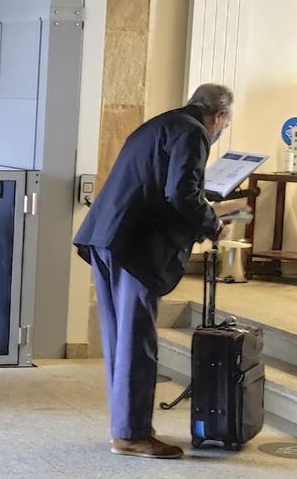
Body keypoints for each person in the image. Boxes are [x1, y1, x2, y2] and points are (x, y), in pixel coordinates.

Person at [73, 83, 239, 459]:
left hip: (108, 237)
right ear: (219, 116)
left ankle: (127, 426)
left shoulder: (164, 123)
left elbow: (164, 184)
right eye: (224, 123)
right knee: (136, 341)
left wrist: (202, 210)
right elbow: (181, 192)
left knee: (121, 338)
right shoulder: (194, 132)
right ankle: (131, 434)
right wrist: (212, 222)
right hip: (134, 246)